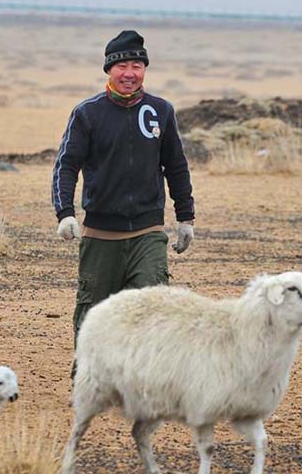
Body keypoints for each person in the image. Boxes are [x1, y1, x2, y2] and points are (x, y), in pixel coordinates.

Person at [51, 29, 195, 376]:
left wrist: (185, 216)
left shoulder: (161, 111)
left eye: (137, 65)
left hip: (148, 231)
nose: (130, 73)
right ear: (109, 70)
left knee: (154, 308)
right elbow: (66, 164)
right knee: (94, 312)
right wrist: (66, 213)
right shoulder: (87, 113)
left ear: (144, 69)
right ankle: (87, 379)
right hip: (101, 234)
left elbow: (175, 165)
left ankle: (145, 383)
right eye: (122, 66)